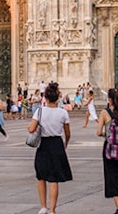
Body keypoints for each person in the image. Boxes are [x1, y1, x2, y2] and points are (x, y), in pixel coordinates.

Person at [29, 82, 72, 214]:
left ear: (45, 98)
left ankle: (43, 207)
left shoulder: (39, 111)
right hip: (57, 144)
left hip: (44, 145)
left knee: (41, 176)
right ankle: (53, 210)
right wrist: (66, 143)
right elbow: (68, 133)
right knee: (54, 178)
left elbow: (31, 129)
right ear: (57, 98)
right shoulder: (63, 113)